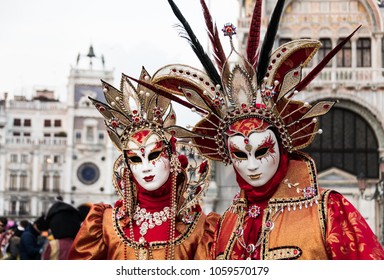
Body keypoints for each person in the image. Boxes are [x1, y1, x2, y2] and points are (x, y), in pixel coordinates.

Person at [131, 0, 384, 259]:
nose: (252, 165)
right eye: (240, 154)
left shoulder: (328, 212)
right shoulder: (224, 224)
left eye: (261, 150)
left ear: (282, 143)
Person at [68, 69, 218, 260]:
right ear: (127, 167)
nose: (145, 167)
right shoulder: (104, 224)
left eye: (154, 155)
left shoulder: (200, 229)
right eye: (135, 159)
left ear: (173, 159)